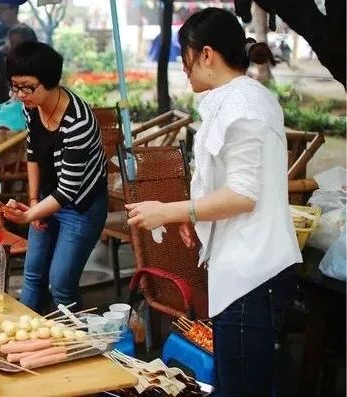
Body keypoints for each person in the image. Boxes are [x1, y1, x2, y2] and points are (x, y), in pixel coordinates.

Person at [124, 8, 300, 397]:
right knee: (240, 381)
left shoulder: (244, 107)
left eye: (184, 56)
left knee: (242, 388)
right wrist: (197, 215)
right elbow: (231, 181)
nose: (182, 67)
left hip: (254, 273)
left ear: (206, 53)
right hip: (243, 268)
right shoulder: (237, 99)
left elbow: (243, 194)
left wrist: (171, 211)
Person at [2, 42, 108, 313]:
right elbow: (33, 153)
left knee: (60, 283)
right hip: (49, 196)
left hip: (80, 206)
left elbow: (69, 190)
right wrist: (35, 202)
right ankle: (24, 336)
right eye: (15, 86)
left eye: (27, 87)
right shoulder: (31, 107)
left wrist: (28, 215)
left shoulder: (78, 122)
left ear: (49, 82)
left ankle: (76, 344)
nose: (20, 94)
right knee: (33, 276)